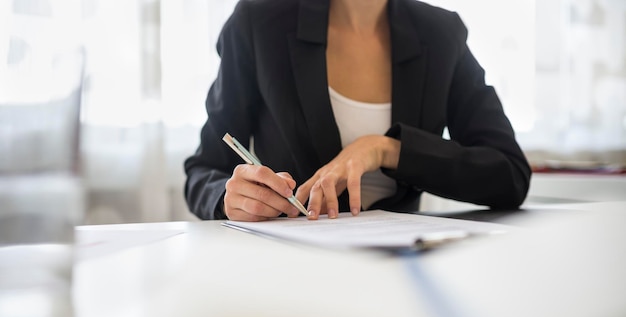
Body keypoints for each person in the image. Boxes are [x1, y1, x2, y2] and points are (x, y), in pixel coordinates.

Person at [184, 0, 531, 222]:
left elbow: (510, 175)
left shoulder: (441, 34)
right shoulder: (258, 22)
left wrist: (384, 148)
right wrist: (229, 198)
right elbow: (204, 171)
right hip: (289, 267)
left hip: (404, 268)